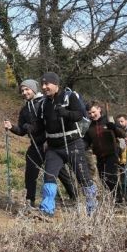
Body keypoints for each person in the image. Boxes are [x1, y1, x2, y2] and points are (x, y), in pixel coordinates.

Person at [29, 72, 98, 216]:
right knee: (49, 177)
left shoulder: (69, 96)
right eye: (42, 84)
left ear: (56, 84)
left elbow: (79, 114)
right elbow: (41, 125)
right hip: (54, 148)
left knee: (83, 177)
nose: (44, 87)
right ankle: (47, 210)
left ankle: (93, 206)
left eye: (47, 83)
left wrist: (65, 113)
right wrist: (29, 128)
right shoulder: (43, 104)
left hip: (72, 143)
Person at [3, 79, 77, 210]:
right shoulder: (24, 110)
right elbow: (22, 130)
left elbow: (49, 123)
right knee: (30, 174)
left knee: (60, 173)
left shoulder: (44, 103)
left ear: (34, 89)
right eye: (22, 90)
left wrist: (47, 139)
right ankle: (29, 201)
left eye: (27, 89)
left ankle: (74, 197)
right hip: (35, 145)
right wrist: (12, 127)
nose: (24, 93)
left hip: (49, 143)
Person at [84, 102, 127, 204]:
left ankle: (119, 200)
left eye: (93, 112)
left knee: (111, 177)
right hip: (99, 156)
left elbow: (123, 134)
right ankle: (115, 198)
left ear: (99, 109)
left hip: (112, 153)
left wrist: (114, 128)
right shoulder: (89, 126)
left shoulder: (109, 120)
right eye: (89, 113)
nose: (92, 115)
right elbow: (86, 141)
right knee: (103, 179)